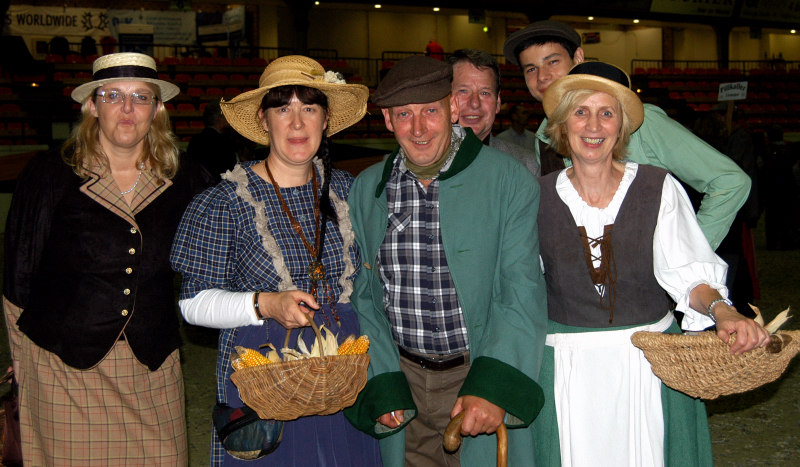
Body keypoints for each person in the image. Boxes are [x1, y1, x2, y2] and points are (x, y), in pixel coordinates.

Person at [534, 61, 770, 467]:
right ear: (562, 124)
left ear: (621, 127)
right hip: (569, 370)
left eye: (607, 113)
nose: (593, 125)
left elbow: (690, 275)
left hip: (647, 363)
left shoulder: (657, 187)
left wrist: (724, 311)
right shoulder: (533, 197)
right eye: (580, 112)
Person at [170, 56, 382, 467]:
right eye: (283, 108)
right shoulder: (225, 201)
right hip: (264, 374)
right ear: (264, 122)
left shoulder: (349, 192)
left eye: (310, 108)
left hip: (347, 372)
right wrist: (265, 303)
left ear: (325, 119)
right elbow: (192, 305)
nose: (297, 123)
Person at [3, 52, 212, 466]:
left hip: (152, 365)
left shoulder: (187, 178)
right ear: (92, 105)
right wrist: (23, 363)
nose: (127, 108)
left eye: (141, 96)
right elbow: (16, 276)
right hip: (62, 369)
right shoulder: (49, 173)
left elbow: (218, 254)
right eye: (113, 95)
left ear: (158, 110)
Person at [343, 55, 547, 466]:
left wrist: (492, 385)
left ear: (452, 109)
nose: (418, 129)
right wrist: (382, 379)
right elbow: (364, 295)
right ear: (387, 120)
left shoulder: (508, 181)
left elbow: (521, 291)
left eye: (431, 111)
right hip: (403, 377)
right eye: (404, 114)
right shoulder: (368, 189)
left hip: (475, 370)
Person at [503, 20, 751, 250]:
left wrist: (685, 254)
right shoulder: (544, 140)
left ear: (578, 57)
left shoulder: (643, 122)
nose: (542, 76)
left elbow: (729, 182)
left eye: (552, 62)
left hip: (645, 289)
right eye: (531, 69)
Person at [446, 48, 540, 176]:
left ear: (497, 103)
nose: (474, 103)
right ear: (444, 98)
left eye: (485, 93)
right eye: (463, 91)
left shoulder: (526, 165)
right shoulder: (417, 164)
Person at [186, 101, 238, 183]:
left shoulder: (195, 139)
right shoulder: (224, 141)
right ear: (219, 119)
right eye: (227, 116)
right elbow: (231, 169)